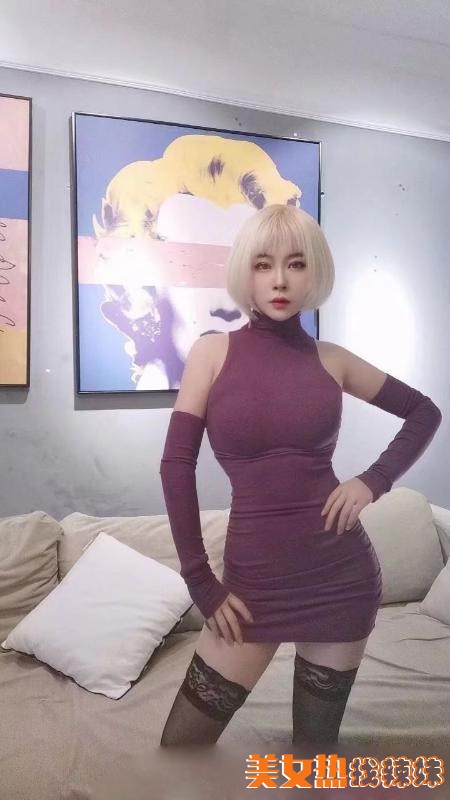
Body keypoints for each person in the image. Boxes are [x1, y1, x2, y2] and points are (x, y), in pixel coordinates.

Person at [158, 204, 442, 747]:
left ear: (315, 273)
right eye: (264, 264)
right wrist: (200, 581)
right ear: (246, 272)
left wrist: (372, 480)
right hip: (251, 587)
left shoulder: (332, 359)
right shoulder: (212, 353)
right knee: (179, 750)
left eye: (296, 264)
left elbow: (424, 411)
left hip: (340, 579)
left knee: (313, 756)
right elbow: (176, 466)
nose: (281, 280)